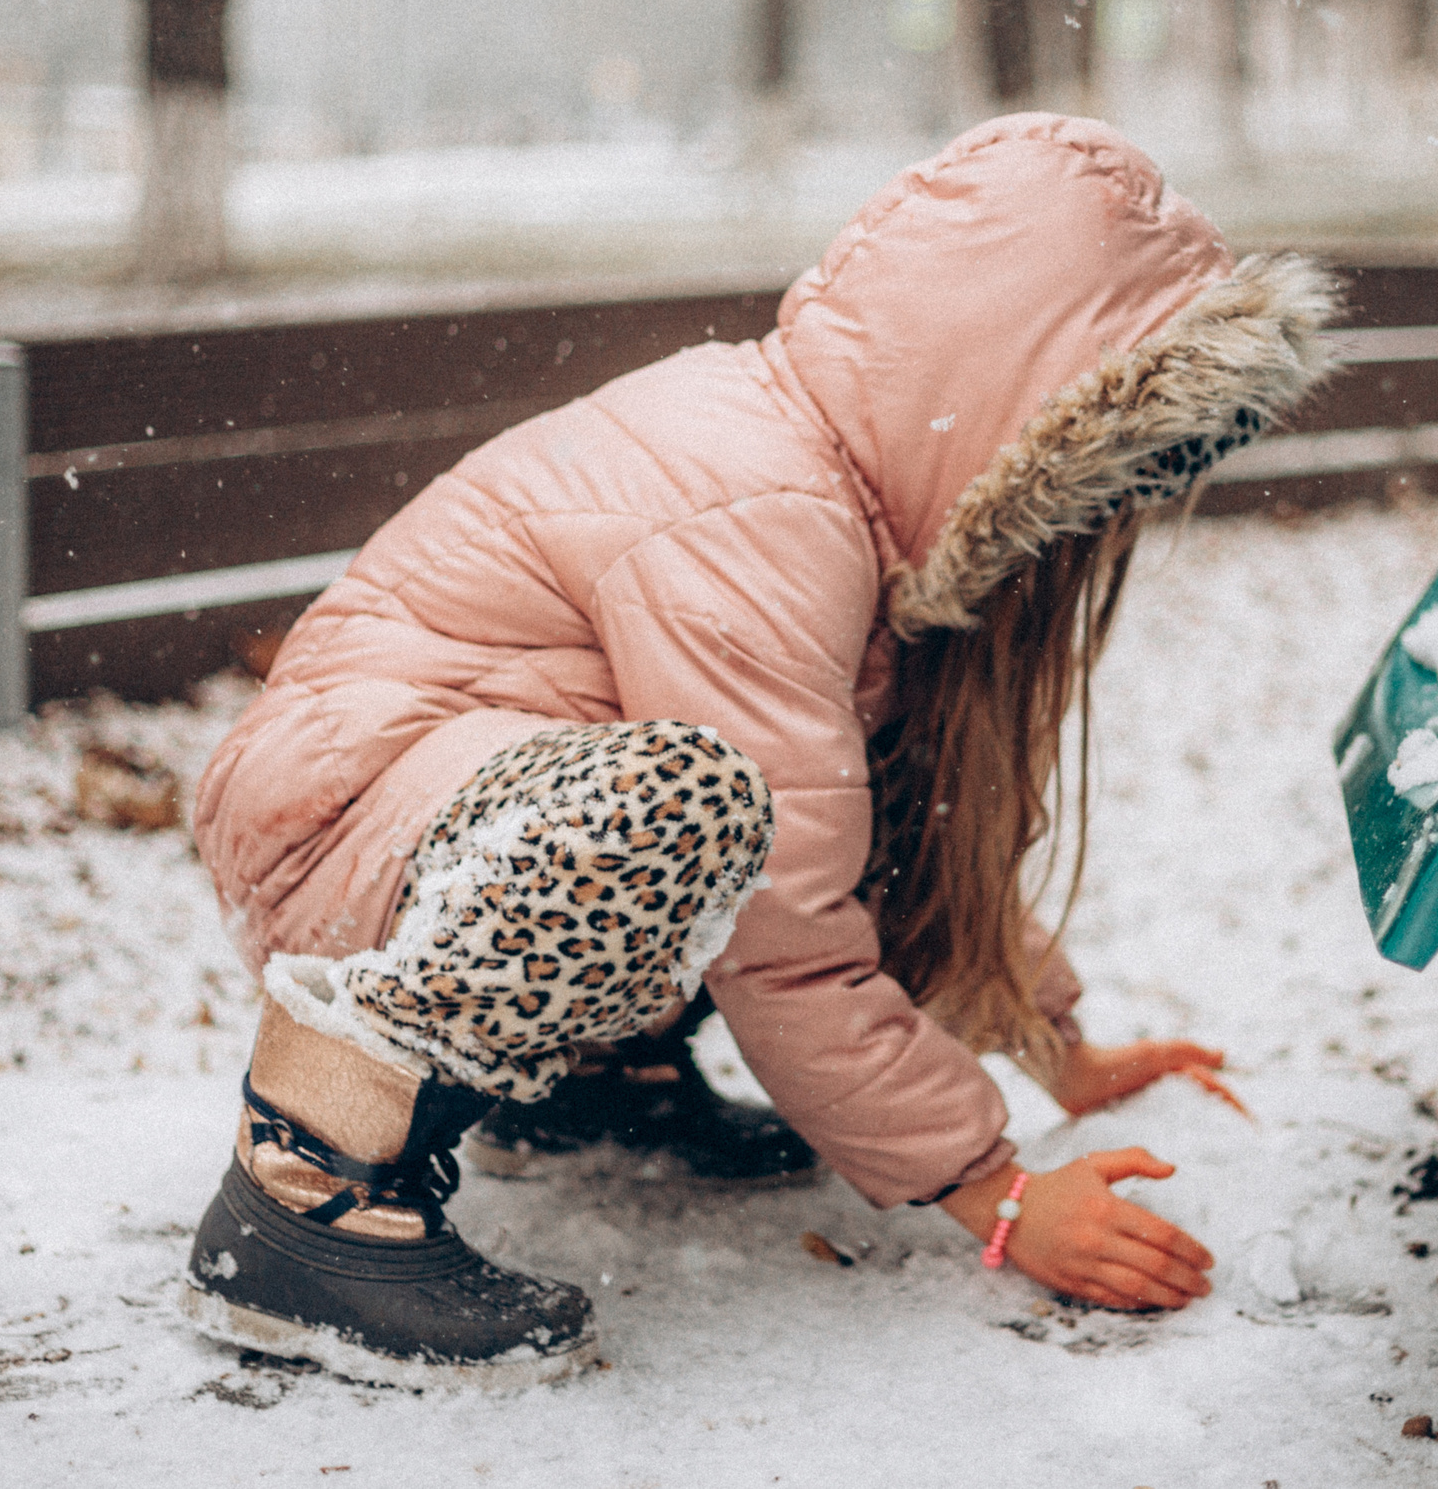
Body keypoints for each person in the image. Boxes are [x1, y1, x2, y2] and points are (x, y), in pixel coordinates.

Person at [180, 112, 1338, 1389]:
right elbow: (791, 921)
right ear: (1004, 412)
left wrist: (1056, 1044)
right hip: (348, 819)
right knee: (689, 806)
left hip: (452, 806)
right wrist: (996, 1192)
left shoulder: (841, 503)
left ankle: (599, 1089)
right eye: (1092, 476)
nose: (1088, 527)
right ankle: (301, 1194)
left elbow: (893, 839)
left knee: (758, 798)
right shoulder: (765, 505)